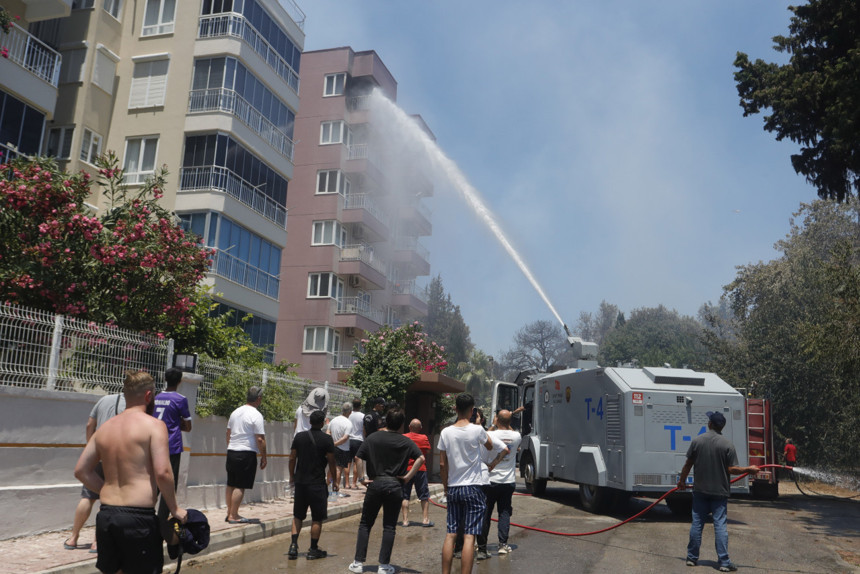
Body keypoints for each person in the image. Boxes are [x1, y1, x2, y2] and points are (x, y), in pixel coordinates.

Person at [74, 370, 187, 574]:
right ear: (148, 395)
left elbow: (81, 471)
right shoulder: (154, 426)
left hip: (107, 514)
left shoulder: (105, 428)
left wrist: (106, 489)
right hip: (138, 518)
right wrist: (174, 508)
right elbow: (163, 472)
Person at [677, 411, 760, 572]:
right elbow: (732, 469)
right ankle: (724, 562)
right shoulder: (727, 445)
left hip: (700, 490)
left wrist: (681, 481)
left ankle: (692, 558)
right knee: (720, 525)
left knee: (697, 523)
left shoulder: (697, 441)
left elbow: (688, 464)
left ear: (710, 424)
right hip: (720, 492)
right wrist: (748, 469)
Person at [349, 409, 425, 574]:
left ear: (385, 421)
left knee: (365, 524)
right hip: (394, 485)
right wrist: (407, 476)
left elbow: (358, 457)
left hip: (375, 484)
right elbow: (421, 458)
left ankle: (358, 563)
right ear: (401, 425)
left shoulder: (373, 437)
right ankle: (384, 566)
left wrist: (362, 478)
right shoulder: (405, 441)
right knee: (389, 526)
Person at [439, 394, 494, 574]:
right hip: (473, 487)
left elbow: (442, 463)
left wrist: (446, 486)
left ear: (455, 408)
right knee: (469, 536)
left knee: (451, 534)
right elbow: (490, 446)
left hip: (454, 487)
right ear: (472, 410)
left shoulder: (445, 432)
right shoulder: (477, 430)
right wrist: (478, 424)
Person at [65, 392, 125, 551]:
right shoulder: (136, 406)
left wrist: (91, 448)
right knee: (107, 498)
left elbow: (89, 424)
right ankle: (97, 541)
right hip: (115, 459)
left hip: (97, 456)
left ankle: (73, 538)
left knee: (87, 497)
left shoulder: (105, 399)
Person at [288, 409, 337, 560]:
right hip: (317, 484)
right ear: (322, 423)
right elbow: (331, 462)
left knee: (298, 515)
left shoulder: (300, 437)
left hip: (301, 483)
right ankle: (313, 549)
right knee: (317, 518)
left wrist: (292, 477)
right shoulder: (327, 440)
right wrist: (335, 480)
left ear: (310, 422)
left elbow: (292, 458)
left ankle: (293, 546)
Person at [153, 368, 192, 553]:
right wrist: (177, 423)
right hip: (172, 446)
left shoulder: (155, 397)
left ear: (164, 378)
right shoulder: (180, 399)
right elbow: (188, 425)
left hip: (154, 444)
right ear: (180, 381)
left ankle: (147, 516)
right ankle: (161, 522)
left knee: (153, 482)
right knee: (170, 483)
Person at [479, 409, 522, 556]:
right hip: (508, 481)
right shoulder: (517, 436)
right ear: (510, 422)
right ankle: (503, 545)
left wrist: (493, 424)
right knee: (504, 513)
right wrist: (505, 422)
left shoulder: (490, 434)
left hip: (490, 480)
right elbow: (509, 429)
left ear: (497, 420)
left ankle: (482, 546)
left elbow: (486, 435)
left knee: (486, 512)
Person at [225, 386, 267, 523]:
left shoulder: (235, 412)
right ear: (259, 399)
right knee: (240, 485)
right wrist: (264, 457)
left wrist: (230, 446)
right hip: (246, 453)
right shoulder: (256, 415)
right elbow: (260, 439)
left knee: (231, 483)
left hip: (232, 451)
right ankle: (234, 515)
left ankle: (229, 512)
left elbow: (228, 433)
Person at [401, 419, 433, 527]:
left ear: (409, 426)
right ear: (420, 428)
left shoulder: (404, 437)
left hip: (406, 470)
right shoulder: (424, 438)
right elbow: (428, 451)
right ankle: (425, 520)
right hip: (420, 469)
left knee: (405, 496)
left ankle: (405, 521)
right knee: (424, 496)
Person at [327, 402, 353, 495]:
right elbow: (345, 438)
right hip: (342, 449)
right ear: (350, 412)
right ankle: (335, 490)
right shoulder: (348, 423)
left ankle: (327, 488)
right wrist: (335, 444)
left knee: (331, 468)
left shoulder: (334, 420)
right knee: (338, 469)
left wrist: (331, 444)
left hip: (331, 448)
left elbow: (328, 432)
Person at [348, 397, 365, 489]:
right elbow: (364, 429)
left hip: (349, 439)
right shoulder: (363, 416)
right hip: (359, 439)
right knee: (356, 462)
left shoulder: (349, 414)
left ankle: (346, 483)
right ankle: (354, 484)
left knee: (348, 462)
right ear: (360, 405)